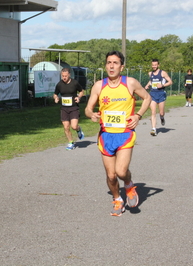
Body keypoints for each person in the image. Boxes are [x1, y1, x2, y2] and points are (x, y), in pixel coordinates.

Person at [85, 51, 151, 216]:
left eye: (115, 63)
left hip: (125, 134)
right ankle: (117, 200)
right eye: (109, 63)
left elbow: (147, 98)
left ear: (122, 66)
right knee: (111, 175)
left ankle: (128, 185)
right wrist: (91, 114)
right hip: (106, 135)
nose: (111, 66)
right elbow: (87, 108)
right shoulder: (99, 85)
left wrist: (138, 115)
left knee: (121, 172)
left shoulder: (130, 83)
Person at [53, 68, 84, 150]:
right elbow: (55, 94)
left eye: (66, 76)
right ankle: (71, 142)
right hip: (64, 109)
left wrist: (79, 97)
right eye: (62, 76)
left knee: (74, 126)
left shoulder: (75, 83)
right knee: (66, 127)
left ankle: (78, 129)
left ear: (69, 75)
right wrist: (56, 98)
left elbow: (81, 91)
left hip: (74, 108)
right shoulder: (59, 84)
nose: (64, 77)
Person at [144, 59, 173, 136]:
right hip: (152, 94)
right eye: (153, 65)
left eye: (155, 65)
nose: (154, 66)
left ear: (158, 65)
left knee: (161, 112)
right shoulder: (150, 73)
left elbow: (170, 82)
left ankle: (162, 117)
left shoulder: (163, 73)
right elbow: (151, 81)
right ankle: (154, 129)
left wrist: (162, 85)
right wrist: (148, 85)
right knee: (153, 112)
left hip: (161, 94)